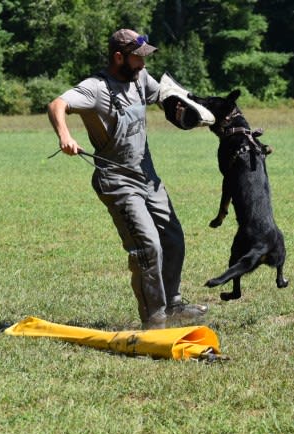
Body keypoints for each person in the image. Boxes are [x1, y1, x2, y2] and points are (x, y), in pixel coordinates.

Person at [48, 29, 207, 329]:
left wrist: (188, 108)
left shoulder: (140, 79)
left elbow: (163, 95)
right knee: (148, 247)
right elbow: (57, 104)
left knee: (173, 239)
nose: (143, 65)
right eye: (138, 59)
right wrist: (65, 135)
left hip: (148, 177)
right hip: (117, 180)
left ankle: (172, 304)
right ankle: (154, 319)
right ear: (118, 57)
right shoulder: (95, 88)